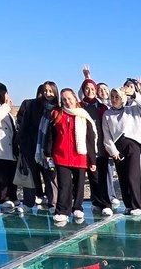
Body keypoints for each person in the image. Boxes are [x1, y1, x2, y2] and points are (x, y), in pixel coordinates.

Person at [44, 89, 97, 225]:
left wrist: (92, 159)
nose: (68, 101)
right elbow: (51, 136)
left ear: (75, 97)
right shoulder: (57, 114)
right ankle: (62, 211)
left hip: (80, 156)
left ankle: (77, 207)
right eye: (64, 99)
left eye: (69, 98)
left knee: (79, 184)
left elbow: (89, 138)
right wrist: (47, 153)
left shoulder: (83, 115)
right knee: (64, 185)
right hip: (61, 156)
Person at [102, 84, 141, 215]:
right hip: (117, 147)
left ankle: (137, 205)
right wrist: (113, 151)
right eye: (112, 97)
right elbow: (107, 135)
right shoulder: (107, 114)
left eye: (117, 97)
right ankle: (128, 204)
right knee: (122, 176)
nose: (114, 99)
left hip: (133, 145)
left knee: (132, 175)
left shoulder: (132, 109)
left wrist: (134, 94)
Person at [16, 82, 60, 213]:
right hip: (31, 147)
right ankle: (28, 203)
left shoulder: (58, 108)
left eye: (50, 91)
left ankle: (53, 203)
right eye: (45, 91)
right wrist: (20, 143)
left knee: (50, 177)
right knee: (31, 177)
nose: (48, 93)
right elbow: (24, 125)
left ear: (55, 92)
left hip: (49, 149)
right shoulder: (33, 105)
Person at [79, 77, 113, 216]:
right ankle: (96, 202)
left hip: (101, 147)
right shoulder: (80, 107)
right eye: (87, 88)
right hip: (86, 148)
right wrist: (86, 77)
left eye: (93, 89)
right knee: (92, 177)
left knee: (102, 176)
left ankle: (106, 203)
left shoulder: (102, 107)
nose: (90, 91)